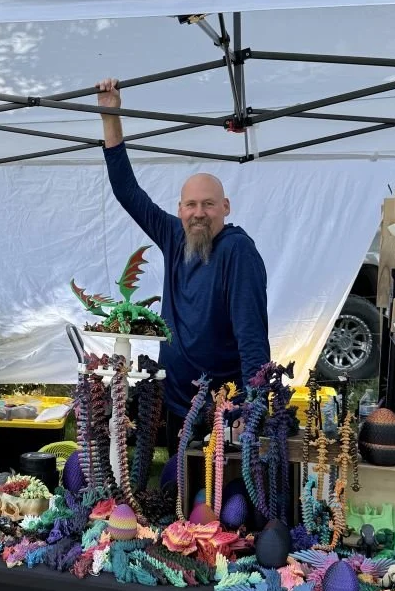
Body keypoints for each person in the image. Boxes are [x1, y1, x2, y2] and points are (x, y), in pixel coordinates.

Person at [96, 78, 270, 449]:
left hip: (225, 408)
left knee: (213, 487)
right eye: (191, 205)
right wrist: (110, 116)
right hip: (178, 402)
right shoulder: (175, 236)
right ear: (180, 210)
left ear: (225, 207)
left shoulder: (238, 252)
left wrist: (251, 409)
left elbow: (252, 336)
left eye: (208, 204)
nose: (199, 213)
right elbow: (127, 191)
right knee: (178, 481)